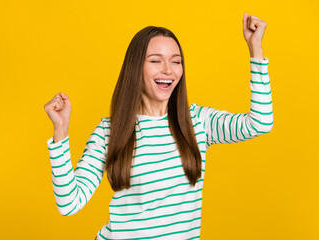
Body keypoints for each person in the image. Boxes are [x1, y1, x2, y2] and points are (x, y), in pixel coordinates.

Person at [44, 12, 273, 240]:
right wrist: (60, 132)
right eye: (155, 60)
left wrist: (256, 49)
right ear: (136, 68)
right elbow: (69, 204)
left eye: (176, 61)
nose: (168, 70)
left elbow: (260, 123)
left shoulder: (198, 122)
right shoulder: (109, 132)